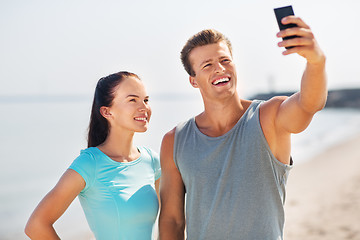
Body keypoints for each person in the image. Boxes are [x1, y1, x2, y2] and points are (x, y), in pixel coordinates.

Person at [159, 16, 327, 240]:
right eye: (207, 65)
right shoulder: (175, 141)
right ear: (194, 80)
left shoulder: (270, 117)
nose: (219, 68)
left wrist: (316, 62)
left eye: (225, 60)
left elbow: (309, 103)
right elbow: (172, 220)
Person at [25, 71, 161, 240]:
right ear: (106, 112)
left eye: (145, 100)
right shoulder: (89, 164)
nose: (144, 107)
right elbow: (36, 225)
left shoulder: (152, 160)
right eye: (132, 100)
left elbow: (171, 220)